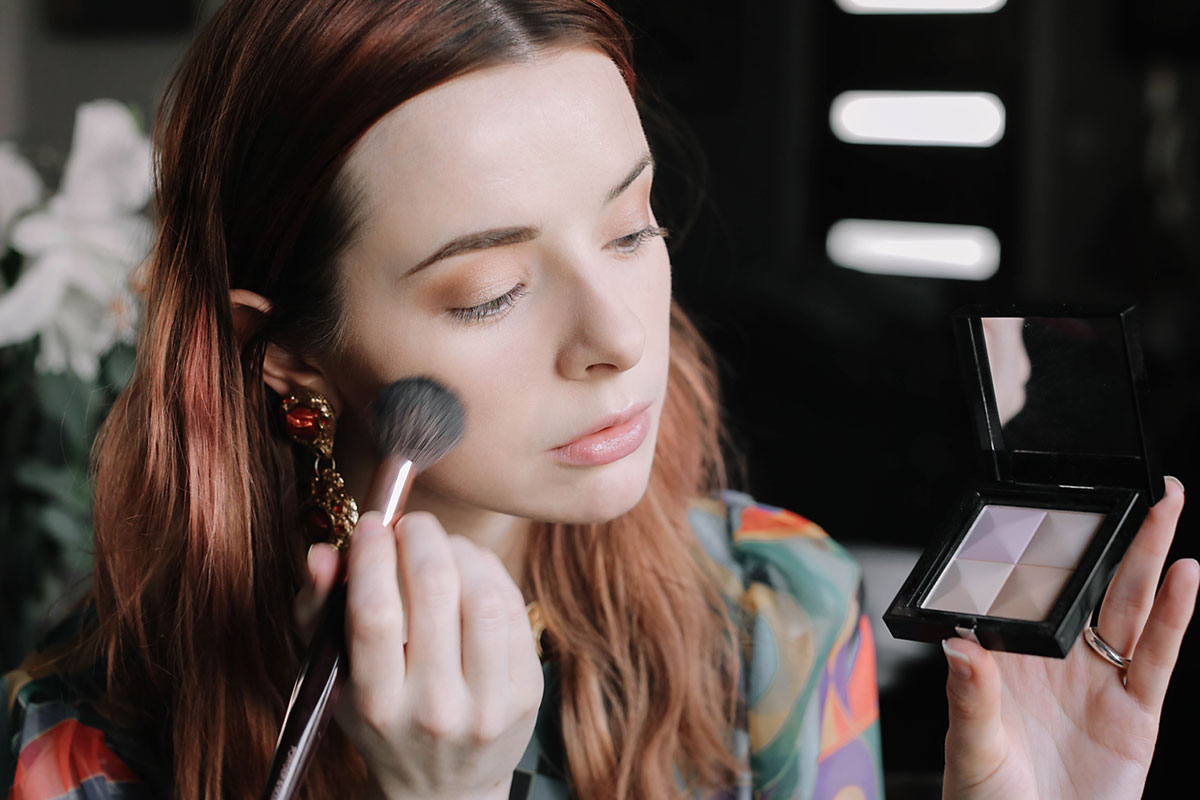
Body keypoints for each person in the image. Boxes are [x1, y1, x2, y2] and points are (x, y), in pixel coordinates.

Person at [1, 1, 1194, 799]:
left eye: (632, 227)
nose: (621, 338)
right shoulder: (85, 746)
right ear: (290, 359)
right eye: (491, 291)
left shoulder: (774, 612)